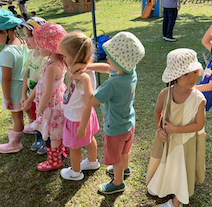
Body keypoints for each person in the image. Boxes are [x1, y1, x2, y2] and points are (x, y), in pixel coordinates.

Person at [72, 31, 145, 193]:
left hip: (115, 128)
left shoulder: (113, 84)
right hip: (128, 124)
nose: (107, 58)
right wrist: (87, 67)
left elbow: (90, 101)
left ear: (120, 62)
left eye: (110, 57)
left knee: (116, 158)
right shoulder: (129, 72)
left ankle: (118, 183)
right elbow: (107, 68)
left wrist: (84, 79)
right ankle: (124, 169)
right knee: (124, 151)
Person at [146, 48, 206, 207]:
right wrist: (159, 130)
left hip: (185, 142)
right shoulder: (165, 94)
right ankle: (161, 184)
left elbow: (199, 124)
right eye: (186, 73)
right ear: (174, 76)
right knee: (166, 162)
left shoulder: (198, 99)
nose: (192, 77)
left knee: (182, 169)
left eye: (194, 72)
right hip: (167, 138)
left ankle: (175, 203)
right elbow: (158, 111)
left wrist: (175, 130)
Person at [22, 23, 67, 171]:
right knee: (56, 132)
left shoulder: (52, 66)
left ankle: (54, 161)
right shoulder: (57, 61)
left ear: (51, 45)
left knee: (52, 135)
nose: (38, 47)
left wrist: (39, 109)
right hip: (56, 102)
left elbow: (47, 93)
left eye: (41, 44)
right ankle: (61, 152)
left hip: (51, 106)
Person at [59, 31, 100, 181]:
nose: (63, 59)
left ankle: (75, 173)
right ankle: (92, 162)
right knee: (90, 139)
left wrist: (82, 126)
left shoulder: (83, 76)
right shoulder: (83, 69)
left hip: (78, 119)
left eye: (65, 56)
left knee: (74, 147)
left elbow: (88, 103)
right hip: (79, 116)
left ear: (76, 56)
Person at [0, 9, 29, 153]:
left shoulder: (6, 52)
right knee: (28, 111)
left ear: (5, 32)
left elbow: (6, 78)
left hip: (14, 91)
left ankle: (15, 143)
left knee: (17, 117)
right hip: (25, 88)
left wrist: (6, 97)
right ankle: (32, 129)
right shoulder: (23, 42)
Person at [20, 17, 48, 155]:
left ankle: (45, 139)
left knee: (43, 118)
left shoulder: (44, 58)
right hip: (31, 95)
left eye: (29, 36)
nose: (26, 39)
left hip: (41, 97)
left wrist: (30, 98)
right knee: (34, 116)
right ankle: (38, 137)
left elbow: (42, 81)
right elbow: (27, 72)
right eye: (25, 35)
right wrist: (23, 94)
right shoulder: (31, 53)